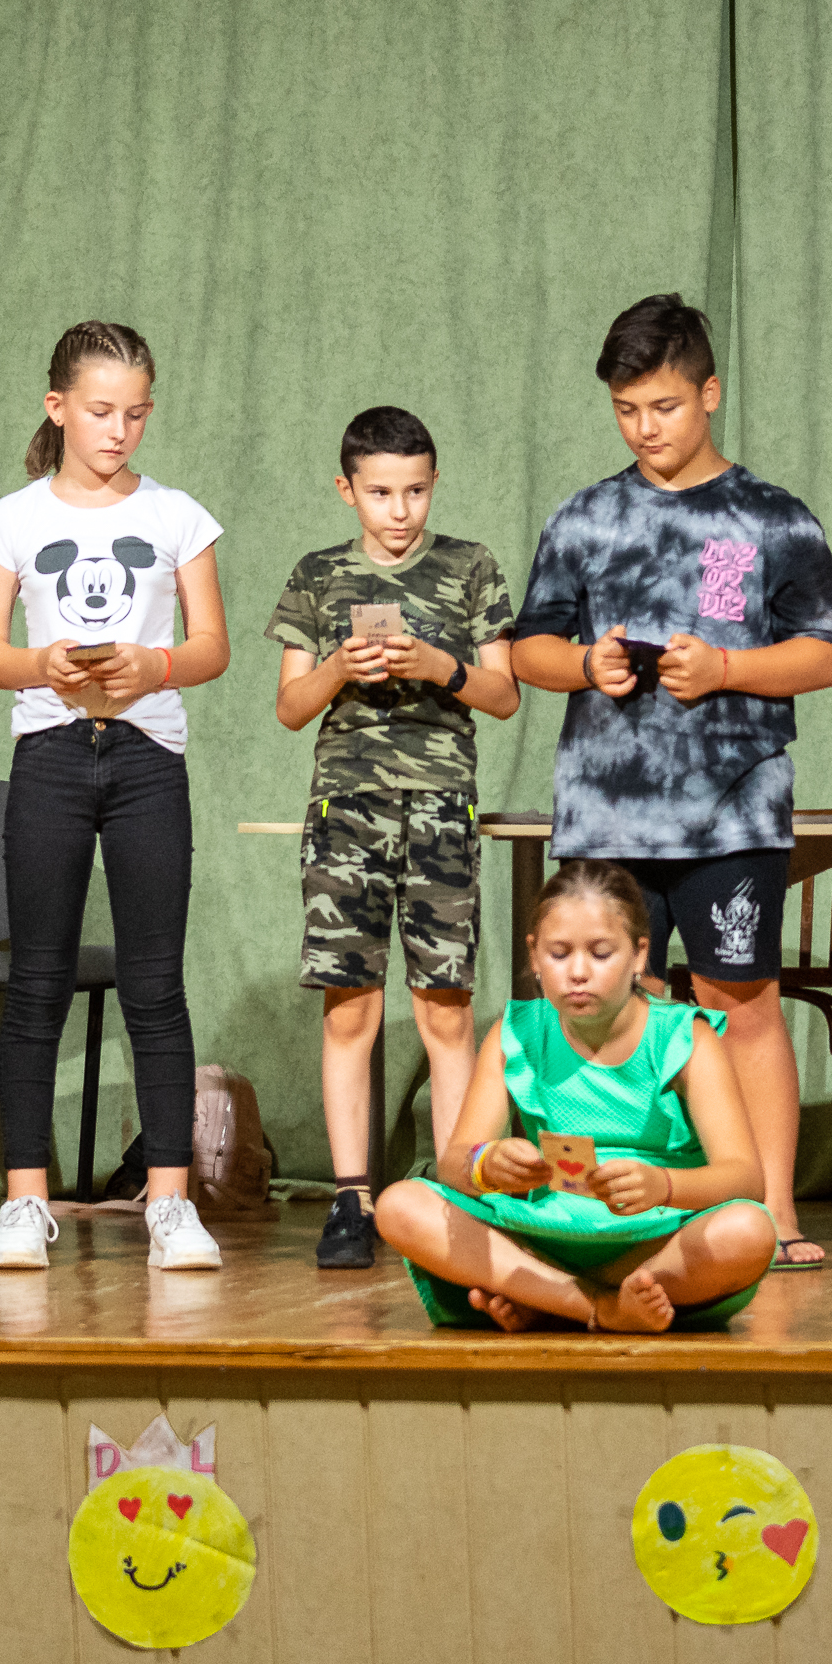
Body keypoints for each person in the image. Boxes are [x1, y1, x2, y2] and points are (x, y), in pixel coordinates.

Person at [511, 294, 832, 1269]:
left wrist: (729, 668)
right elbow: (528, 646)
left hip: (732, 810)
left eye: (662, 405)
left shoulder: (773, 517)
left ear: (710, 393)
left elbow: (826, 654)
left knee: (742, 1003)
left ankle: (773, 1211)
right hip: (606, 811)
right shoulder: (584, 515)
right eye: (626, 410)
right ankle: (612, 1210)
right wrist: (588, 664)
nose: (644, 428)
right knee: (617, 1010)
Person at [0, 321, 229, 1272]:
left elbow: (210, 645)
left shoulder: (177, 515)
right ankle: (23, 1201)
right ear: (59, 408)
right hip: (50, 758)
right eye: (102, 411)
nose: (120, 431)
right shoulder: (14, 519)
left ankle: (170, 1201)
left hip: (148, 760)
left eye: (136, 414)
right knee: (37, 981)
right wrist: (45, 663)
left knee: (155, 984)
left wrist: (154, 665)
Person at [269, 407, 519, 1269]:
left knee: (446, 1007)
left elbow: (504, 694)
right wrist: (340, 667)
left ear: (434, 482)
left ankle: (455, 1196)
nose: (400, 510)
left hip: (443, 808)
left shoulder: (471, 565)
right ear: (348, 491)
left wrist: (440, 667)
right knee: (351, 1008)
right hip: (346, 809)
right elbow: (290, 707)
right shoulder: (317, 575)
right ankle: (351, 1198)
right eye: (380, 493)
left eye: (414, 491)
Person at [374, 859, 777, 1330]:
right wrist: (488, 1164)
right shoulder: (517, 1033)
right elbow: (453, 1163)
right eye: (559, 954)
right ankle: (597, 1307)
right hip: (542, 1234)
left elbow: (746, 1179)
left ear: (639, 955)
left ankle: (544, 1296)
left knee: (748, 1232)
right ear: (534, 956)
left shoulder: (685, 1038)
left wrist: (664, 1186)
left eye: (601, 954)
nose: (578, 972)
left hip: (653, 1239)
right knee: (400, 1206)